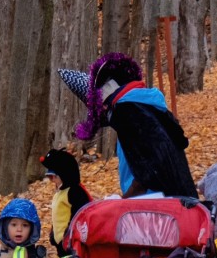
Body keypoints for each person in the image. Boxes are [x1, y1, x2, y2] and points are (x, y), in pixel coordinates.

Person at [59, 52, 199, 199]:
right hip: (178, 202)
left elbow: (148, 175)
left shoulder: (127, 113)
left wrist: (122, 202)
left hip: (157, 209)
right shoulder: (150, 108)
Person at [40, 148, 92, 251]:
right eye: (50, 177)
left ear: (64, 174)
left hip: (72, 243)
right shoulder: (60, 193)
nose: (52, 181)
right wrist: (53, 234)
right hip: (61, 243)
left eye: (53, 177)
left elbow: (78, 215)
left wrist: (67, 235)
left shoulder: (75, 192)